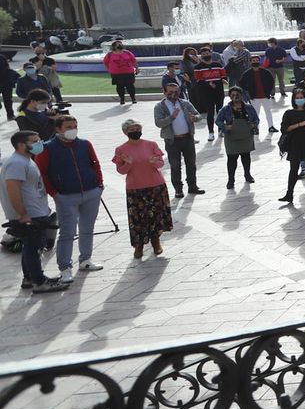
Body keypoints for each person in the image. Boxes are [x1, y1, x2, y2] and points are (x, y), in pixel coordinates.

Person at [33, 118, 107, 285]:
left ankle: (85, 259)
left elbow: (95, 164)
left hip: (91, 192)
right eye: (68, 127)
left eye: (75, 126)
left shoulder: (85, 144)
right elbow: (42, 173)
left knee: (87, 228)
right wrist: (55, 194)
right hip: (65, 197)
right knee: (67, 233)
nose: (73, 130)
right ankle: (65, 268)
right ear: (59, 129)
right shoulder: (47, 148)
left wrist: (99, 185)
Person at [3, 130, 65, 292]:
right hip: (29, 215)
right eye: (35, 141)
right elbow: (12, 189)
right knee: (33, 248)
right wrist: (22, 214)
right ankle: (39, 282)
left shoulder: (26, 160)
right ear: (22, 145)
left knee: (30, 246)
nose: (40, 144)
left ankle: (30, 278)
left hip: (36, 212)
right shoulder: (16, 163)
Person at [112, 119, 171, 259]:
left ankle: (156, 242)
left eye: (137, 128)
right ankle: (139, 245)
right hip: (135, 188)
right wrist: (128, 164)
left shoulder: (151, 144)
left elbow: (160, 163)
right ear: (125, 132)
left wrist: (155, 162)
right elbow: (121, 170)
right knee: (138, 218)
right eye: (132, 130)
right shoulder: (121, 149)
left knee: (156, 215)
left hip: (155, 185)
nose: (135, 131)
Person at [153, 81, 204, 198]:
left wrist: (194, 118)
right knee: (175, 166)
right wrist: (171, 117)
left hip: (188, 138)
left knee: (191, 164)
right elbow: (158, 123)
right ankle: (178, 189)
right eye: (170, 92)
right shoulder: (160, 106)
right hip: (172, 141)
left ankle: (192, 186)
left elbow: (199, 115)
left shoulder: (185, 103)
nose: (173, 94)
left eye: (176, 92)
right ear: (164, 92)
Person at [215, 89, 259, 189]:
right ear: (230, 96)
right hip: (231, 137)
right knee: (232, 159)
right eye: (233, 95)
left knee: (246, 157)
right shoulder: (226, 109)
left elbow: (256, 119)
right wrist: (225, 126)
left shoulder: (248, 107)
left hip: (246, 136)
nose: (236, 96)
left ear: (241, 95)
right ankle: (231, 180)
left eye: (237, 94)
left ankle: (247, 175)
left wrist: (253, 125)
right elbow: (218, 121)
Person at [103, 40, 139, 105]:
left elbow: (134, 60)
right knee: (120, 87)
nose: (120, 45)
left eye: (120, 44)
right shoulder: (110, 54)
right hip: (116, 74)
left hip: (129, 73)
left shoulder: (127, 53)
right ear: (114, 46)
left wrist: (137, 68)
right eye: (118, 44)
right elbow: (105, 62)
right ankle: (122, 99)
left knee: (130, 86)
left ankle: (133, 99)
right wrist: (109, 70)